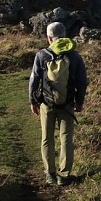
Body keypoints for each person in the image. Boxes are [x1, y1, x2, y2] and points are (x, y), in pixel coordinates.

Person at [29, 21, 88, 186]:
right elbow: (82, 82)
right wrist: (79, 102)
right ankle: (64, 175)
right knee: (66, 139)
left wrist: (33, 100)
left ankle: (49, 173)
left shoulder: (42, 55)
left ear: (49, 38)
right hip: (67, 104)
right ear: (65, 35)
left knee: (47, 138)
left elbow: (34, 80)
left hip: (47, 104)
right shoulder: (75, 56)